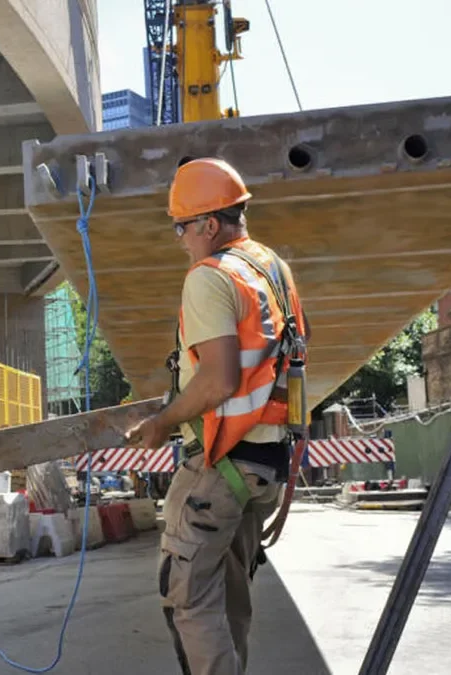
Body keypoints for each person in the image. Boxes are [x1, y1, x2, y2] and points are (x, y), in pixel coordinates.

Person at [126, 157, 310, 675]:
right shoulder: (271, 267)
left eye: (181, 227)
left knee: (187, 598)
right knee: (229, 601)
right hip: (265, 464)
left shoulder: (210, 277)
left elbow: (218, 379)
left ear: (209, 224)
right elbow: (299, 339)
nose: (180, 239)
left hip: (221, 464)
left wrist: (164, 421)